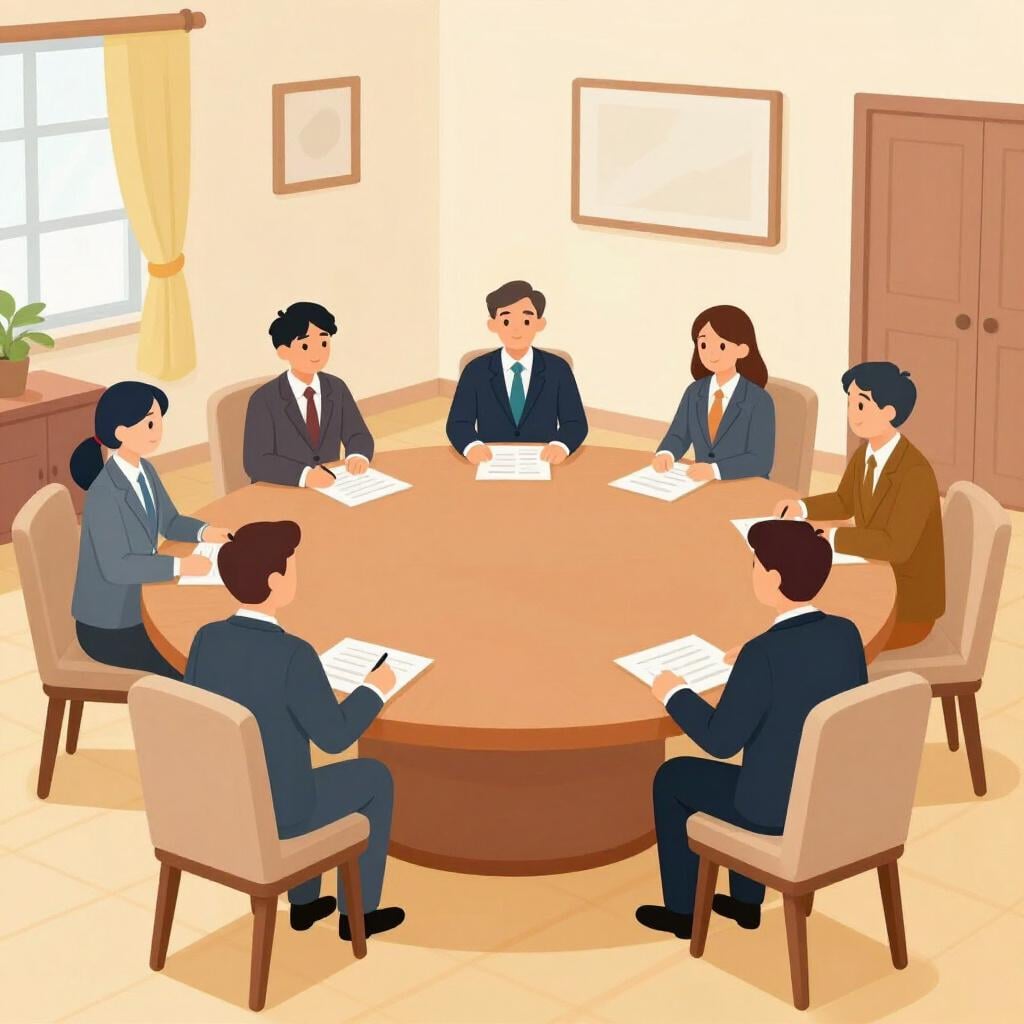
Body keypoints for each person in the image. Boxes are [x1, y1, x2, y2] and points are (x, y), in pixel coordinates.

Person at [635, 519, 867, 939]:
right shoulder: (845, 634)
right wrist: (756, 651)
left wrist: (675, 693)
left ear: (773, 579)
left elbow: (721, 740)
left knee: (672, 778)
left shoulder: (763, 656)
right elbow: (808, 674)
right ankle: (745, 905)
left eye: (755, 566)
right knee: (767, 760)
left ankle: (683, 914)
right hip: (827, 796)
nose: (752, 572)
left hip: (774, 810)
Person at [184, 520, 405, 940]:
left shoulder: (205, 639)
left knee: (291, 767)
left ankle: (304, 905)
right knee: (375, 777)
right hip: (280, 813)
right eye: (294, 567)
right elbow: (335, 738)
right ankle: (357, 915)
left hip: (225, 799)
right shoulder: (293, 655)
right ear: (275, 581)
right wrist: (373, 689)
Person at [774, 361, 944, 651]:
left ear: (889, 412)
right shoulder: (865, 452)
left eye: (861, 406)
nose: (852, 414)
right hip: (873, 577)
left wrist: (832, 538)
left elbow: (896, 546)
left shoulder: (914, 472)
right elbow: (844, 501)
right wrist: (801, 508)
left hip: (905, 606)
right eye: (850, 403)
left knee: (812, 637)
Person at [69, 382, 230, 680]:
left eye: (159, 421)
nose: (158, 430)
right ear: (121, 432)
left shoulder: (146, 470)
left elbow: (170, 522)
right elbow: (118, 566)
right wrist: (182, 566)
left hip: (141, 602)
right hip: (110, 627)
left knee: (217, 639)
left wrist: (205, 532)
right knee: (197, 664)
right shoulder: (104, 493)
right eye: (150, 423)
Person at [446, 280, 588, 464]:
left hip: (544, 460)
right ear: (493, 325)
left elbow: (575, 422)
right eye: (506, 320)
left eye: (526, 320)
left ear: (540, 323)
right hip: (490, 460)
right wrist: (471, 446)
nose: (516, 329)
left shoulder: (558, 368)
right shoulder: (475, 370)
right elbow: (458, 423)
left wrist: (561, 445)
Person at [243, 301, 375, 488]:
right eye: (305, 346)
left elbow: (357, 434)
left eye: (323, 343)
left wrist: (357, 455)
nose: (317, 353)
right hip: (279, 490)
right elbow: (256, 461)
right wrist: (304, 476)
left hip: (329, 487)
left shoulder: (336, 388)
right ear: (283, 351)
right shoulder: (263, 399)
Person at [652, 305, 775, 481]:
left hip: (746, 485)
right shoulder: (694, 392)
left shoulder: (759, 400)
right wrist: (667, 453)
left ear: (742, 350)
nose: (710, 352)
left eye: (722, 345)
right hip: (701, 483)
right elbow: (678, 435)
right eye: (703, 344)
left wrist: (716, 470)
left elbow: (761, 460)